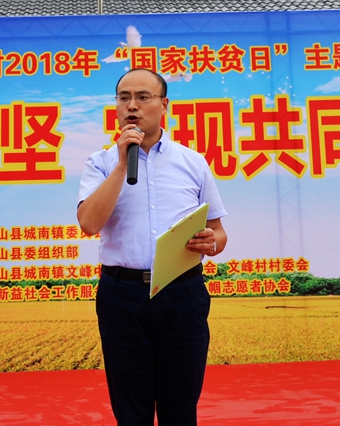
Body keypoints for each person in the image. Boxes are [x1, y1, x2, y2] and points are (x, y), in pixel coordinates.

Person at [78, 68, 228, 426]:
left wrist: (212, 243)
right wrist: (121, 164)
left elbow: (219, 232)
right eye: (124, 98)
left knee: (180, 409)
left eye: (143, 97)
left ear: (164, 105)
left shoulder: (192, 162)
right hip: (122, 296)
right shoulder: (100, 163)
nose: (132, 106)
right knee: (132, 411)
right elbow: (89, 224)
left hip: (182, 293)